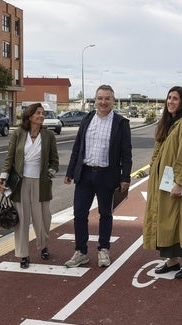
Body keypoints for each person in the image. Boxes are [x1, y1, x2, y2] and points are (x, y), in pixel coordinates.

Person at [64, 84, 132, 268]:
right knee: (79, 213)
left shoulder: (121, 123)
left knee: (105, 214)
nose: (103, 102)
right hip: (85, 174)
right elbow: (77, 147)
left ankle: (104, 250)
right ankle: (81, 252)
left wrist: (125, 177)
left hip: (107, 175)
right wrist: (70, 171)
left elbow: (126, 153)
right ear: (95, 100)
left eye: (107, 98)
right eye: (100, 98)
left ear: (113, 101)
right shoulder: (87, 120)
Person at [143, 86, 182, 279]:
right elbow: (158, 149)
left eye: (175, 99)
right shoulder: (169, 122)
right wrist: (152, 169)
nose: (171, 102)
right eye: (169, 98)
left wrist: (179, 182)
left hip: (176, 183)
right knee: (166, 223)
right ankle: (172, 260)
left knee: (181, 222)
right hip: (162, 182)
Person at [0, 103, 59, 269]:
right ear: (30, 116)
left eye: (43, 113)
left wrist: (51, 171)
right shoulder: (18, 134)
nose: (41, 116)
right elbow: (9, 158)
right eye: (38, 113)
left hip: (41, 183)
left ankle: (43, 245)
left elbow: (55, 160)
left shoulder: (48, 135)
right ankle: (23, 255)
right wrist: (3, 177)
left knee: (44, 219)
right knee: (22, 220)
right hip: (20, 182)